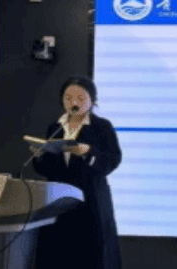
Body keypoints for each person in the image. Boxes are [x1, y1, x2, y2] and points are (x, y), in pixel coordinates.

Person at [31, 75, 122, 269]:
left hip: (90, 201)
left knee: (90, 255)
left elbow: (113, 160)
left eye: (80, 98)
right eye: (68, 98)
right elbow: (49, 169)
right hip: (58, 200)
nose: (74, 103)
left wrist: (88, 153)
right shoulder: (56, 127)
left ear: (92, 100)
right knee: (57, 254)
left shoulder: (101, 127)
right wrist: (39, 156)